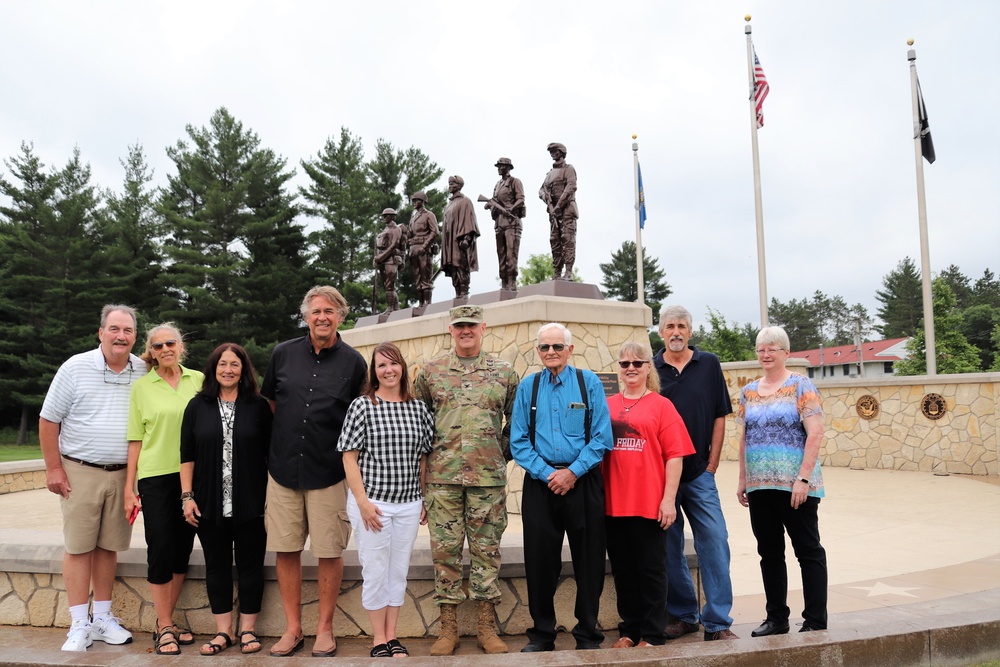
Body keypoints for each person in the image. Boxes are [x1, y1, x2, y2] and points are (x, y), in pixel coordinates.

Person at [261, 285, 367, 657]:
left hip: (329, 472)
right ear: (306, 316)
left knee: (328, 552)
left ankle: (324, 629)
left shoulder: (354, 363)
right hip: (283, 470)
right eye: (316, 310)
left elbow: (360, 416)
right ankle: (293, 629)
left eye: (331, 310)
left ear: (341, 315)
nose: (323, 316)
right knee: (286, 550)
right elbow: (271, 402)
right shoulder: (282, 354)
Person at [39, 305, 147, 652]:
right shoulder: (75, 367)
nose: (121, 336)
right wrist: (54, 468)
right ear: (101, 332)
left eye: (128, 330)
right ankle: (78, 623)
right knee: (79, 547)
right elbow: (48, 420)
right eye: (114, 328)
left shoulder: (144, 371)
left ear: (134, 336)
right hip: (80, 470)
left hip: (122, 476)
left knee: (108, 547)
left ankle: (102, 618)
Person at [413, 305, 519, 656]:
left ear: (483, 328)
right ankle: (449, 629)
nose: (465, 330)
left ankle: (487, 627)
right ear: (451, 329)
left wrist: (497, 454)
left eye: (471, 325)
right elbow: (420, 421)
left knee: (486, 553)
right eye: (460, 325)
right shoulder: (431, 372)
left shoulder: (503, 372)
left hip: (487, 481)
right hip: (442, 481)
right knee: (445, 554)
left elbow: (515, 422)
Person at [509, 323, 613, 652]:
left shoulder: (589, 383)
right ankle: (542, 634)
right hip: (542, 485)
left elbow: (601, 437)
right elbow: (519, 441)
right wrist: (547, 473)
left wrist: (572, 472)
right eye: (544, 347)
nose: (550, 352)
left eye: (557, 346)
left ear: (569, 349)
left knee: (590, 560)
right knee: (540, 563)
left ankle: (588, 634)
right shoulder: (529, 387)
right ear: (537, 352)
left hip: (582, 483)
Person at [338, 342, 434, 658]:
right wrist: (362, 502)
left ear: (402, 368)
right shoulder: (362, 406)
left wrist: (421, 498)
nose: (388, 370)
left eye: (393, 364)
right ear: (374, 372)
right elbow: (349, 458)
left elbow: (423, 458)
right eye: (381, 365)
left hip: (408, 504)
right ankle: (378, 638)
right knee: (376, 570)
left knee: (398, 570)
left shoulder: (419, 408)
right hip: (373, 505)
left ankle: (393, 636)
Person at [179, 343, 272, 656]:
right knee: (216, 567)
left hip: (251, 502)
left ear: (244, 369)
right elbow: (187, 456)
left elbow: (270, 453)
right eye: (223, 364)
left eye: (235, 364)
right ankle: (223, 632)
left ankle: (247, 630)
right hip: (208, 502)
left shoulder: (258, 406)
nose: (228, 370)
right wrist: (187, 497)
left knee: (250, 567)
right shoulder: (197, 406)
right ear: (213, 368)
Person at [652, 305, 738, 641]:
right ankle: (685, 615)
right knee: (669, 547)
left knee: (715, 540)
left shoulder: (710, 364)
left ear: (690, 331)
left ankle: (717, 621)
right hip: (663, 478)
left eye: (682, 326)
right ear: (661, 332)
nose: (676, 331)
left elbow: (720, 414)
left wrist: (712, 464)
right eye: (670, 326)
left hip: (700, 474)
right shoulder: (652, 368)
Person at [737, 326, 828, 636]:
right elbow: (744, 437)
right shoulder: (748, 391)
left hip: (795, 488)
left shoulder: (801, 386)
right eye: (761, 348)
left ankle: (815, 620)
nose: (766, 353)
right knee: (770, 554)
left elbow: (815, 432)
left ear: (786, 353)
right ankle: (777, 619)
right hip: (760, 487)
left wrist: (802, 479)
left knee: (808, 550)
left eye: (773, 348)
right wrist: (742, 480)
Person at [604, 342, 693, 648]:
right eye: (625, 363)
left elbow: (675, 456)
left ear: (648, 368)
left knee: (652, 572)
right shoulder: (608, 404)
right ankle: (630, 630)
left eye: (638, 363)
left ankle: (653, 635)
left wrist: (668, 500)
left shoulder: (661, 405)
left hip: (648, 504)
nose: (631, 368)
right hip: (613, 505)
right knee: (624, 572)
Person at [126, 323, 205, 655]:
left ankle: (165, 623)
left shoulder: (199, 380)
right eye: (158, 346)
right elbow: (135, 439)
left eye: (170, 343)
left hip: (195, 476)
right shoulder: (142, 388)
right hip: (156, 477)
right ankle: (165, 625)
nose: (165, 349)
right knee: (160, 546)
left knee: (182, 548)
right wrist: (130, 487)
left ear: (181, 346)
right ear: (152, 351)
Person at [538, 143, 578, 281]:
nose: (553, 153)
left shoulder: (568, 169)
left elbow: (571, 187)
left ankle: (568, 272)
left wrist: (559, 205)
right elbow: (541, 190)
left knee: (568, 239)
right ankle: (557, 272)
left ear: (562, 152)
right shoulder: (549, 174)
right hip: (553, 213)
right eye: (551, 152)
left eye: (555, 151)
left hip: (567, 210)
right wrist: (546, 200)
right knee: (554, 240)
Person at [484, 157, 525, 291]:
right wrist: (489, 205)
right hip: (499, 223)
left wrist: (511, 209)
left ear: (508, 168)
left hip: (512, 222)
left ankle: (512, 282)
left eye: (501, 166)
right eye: (498, 166)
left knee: (511, 254)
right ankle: (504, 282)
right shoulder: (497, 185)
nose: (499, 168)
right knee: (501, 254)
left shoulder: (515, 182)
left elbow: (521, 199)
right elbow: (494, 201)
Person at [440, 175, 480, 300]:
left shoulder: (465, 201)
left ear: (458, 186)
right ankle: (457, 292)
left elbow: (470, 219)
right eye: (449, 183)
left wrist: (467, 238)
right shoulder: (448, 205)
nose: (449, 186)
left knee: (461, 264)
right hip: (449, 241)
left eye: (452, 183)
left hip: (460, 240)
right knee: (452, 265)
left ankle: (464, 292)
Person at [407, 190, 439, 309]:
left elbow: (435, 232)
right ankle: (420, 303)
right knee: (417, 277)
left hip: (424, 249)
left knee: (426, 277)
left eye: (416, 200)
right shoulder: (413, 217)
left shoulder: (429, 215)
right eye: (413, 200)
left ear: (422, 201)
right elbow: (411, 233)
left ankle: (427, 302)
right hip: (414, 248)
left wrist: (425, 246)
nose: (414, 202)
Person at [374, 208, 407, 313]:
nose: (384, 218)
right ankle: (395, 307)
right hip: (383, 260)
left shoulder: (396, 229)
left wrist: (381, 257)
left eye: (386, 215)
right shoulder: (385, 230)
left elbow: (393, 245)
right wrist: (377, 259)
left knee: (390, 285)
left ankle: (390, 308)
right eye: (383, 216)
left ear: (392, 216)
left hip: (391, 260)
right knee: (387, 285)